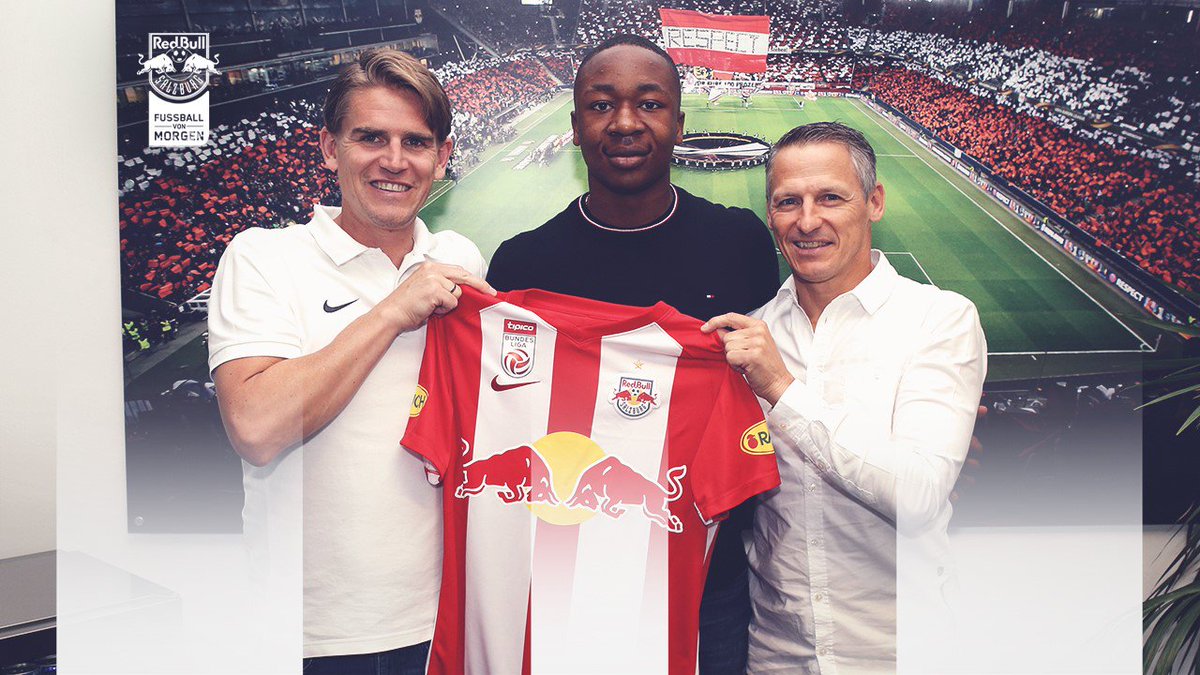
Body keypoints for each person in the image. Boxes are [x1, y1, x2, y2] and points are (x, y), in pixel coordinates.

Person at [486, 34, 780, 674]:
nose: (624, 123)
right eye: (601, 105)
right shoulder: (520, 265)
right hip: (565, 572)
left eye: (649, 103)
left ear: (680, 123)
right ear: (574, 127)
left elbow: (785, 373)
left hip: (707, 579)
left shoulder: (739, 244)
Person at [207, 48, 494, 674]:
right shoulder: (262, 258)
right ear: (329, 148)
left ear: (442, 156)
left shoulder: (459, 257)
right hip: (318, 633)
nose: (394, 160)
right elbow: (256, 428)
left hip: (447, 615)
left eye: (415, 142)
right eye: (370, 137)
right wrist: (392, 311)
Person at [702, 122, 987, 673]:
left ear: (874, 202)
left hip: (902, 652)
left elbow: (919, 494)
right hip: (776, 653)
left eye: (830, 197)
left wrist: (780, 388)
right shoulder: (749, 335)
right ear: (769, 214)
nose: (808, 221)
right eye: (788, 201)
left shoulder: (940, 320)